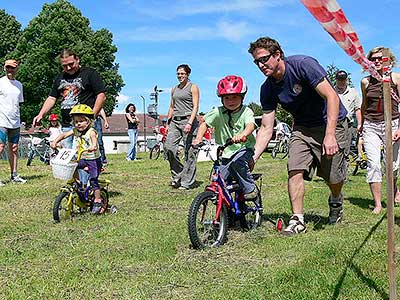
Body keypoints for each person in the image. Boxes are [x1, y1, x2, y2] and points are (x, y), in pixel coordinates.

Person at [248, 36, 349, 235]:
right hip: (302, 128)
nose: (260, 65)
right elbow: (267, 127)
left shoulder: (303, 65)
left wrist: (330, 135)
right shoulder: (267, 88)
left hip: (331, 123)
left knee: (333, 176)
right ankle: (297, 220)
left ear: (277, 55)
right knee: (294, 168)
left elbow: (332, 96)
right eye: (256, 61)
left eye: (264, 59)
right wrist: (254, 156)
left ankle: (336, 199)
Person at [193, 75, 257, 199]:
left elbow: (250, 126)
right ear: (221, 99)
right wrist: (199, 138)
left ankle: (250, 188)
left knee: (237, 162)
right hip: (225, 151)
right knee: (219, 180)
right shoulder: (217, 112)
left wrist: (243, 134)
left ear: (242, 97)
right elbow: (204, 124)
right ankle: (225, 212)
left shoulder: (246, 111)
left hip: (243, 148)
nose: (231, 101)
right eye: (227, 98)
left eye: (234, 97)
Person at [32, 49, 106, 149]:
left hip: (86, 122)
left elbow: (101, 95)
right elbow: (52, 98)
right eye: (64, 66)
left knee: (91, 152)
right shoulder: (60, 78)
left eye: (71, 64)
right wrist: (41, 114)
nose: (68, 67)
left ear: (78, 60)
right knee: (69, 155)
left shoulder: (90, 73)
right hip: (67, 123)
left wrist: (92, 116)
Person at [360, 46, 400, 214]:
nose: (376, 61)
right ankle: (377, 203)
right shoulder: (365, 82)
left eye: (380, 58)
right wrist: (361, 125)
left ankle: (394, 190)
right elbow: (364, 105)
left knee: (393, 166)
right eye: (373, 59)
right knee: (373, 164)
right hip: (371, 125)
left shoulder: (396, 78)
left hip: (393, 123)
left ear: (388, 61)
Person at [50, 104, 104, 214]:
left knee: (93, 180)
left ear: (88, 121)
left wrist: (93, 146)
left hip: (93, 159)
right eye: (76, 121)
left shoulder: (91, 131)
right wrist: (55, 141)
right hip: (82, 158)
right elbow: (64, 135)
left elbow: (94, 141)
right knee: (71, 166)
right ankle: (79, 183)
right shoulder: (76, 131)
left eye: (81, 121)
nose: (78, 124)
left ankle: (98, 200)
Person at [165, 64, 200, 190]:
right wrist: (168, 123)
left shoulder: (193, 87)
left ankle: (187, 182)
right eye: (178, 74)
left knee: (189, 152)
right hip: (175, 121)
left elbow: (196, 107)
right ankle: (178, 175)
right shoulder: (174, 89)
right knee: (169, 148)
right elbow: (172, 107)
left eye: (182, 73)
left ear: (188, 74)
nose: (180, 76)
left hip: (188, 120)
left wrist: (190, 123)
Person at [0, 59, 27, 185]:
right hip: (1, 121)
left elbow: (18, 103)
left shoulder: (19, 85)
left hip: (15, 122)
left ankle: (14, 175)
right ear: (4, 68)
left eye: (12, 68)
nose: (10, 70)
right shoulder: (1, 82)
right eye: (8, 68)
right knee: (0, 147)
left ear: (16, 69)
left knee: (14, 148)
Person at [334, 70, 362, 144]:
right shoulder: (332, 91)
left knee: (346, 148)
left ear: (346, 80)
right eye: (339, 79)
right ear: (336, 80)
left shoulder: (353, 92)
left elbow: (357, 109)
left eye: (343, 79)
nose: (341, 82)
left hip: (348, 124)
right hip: (335, 124)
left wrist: (359, 124)